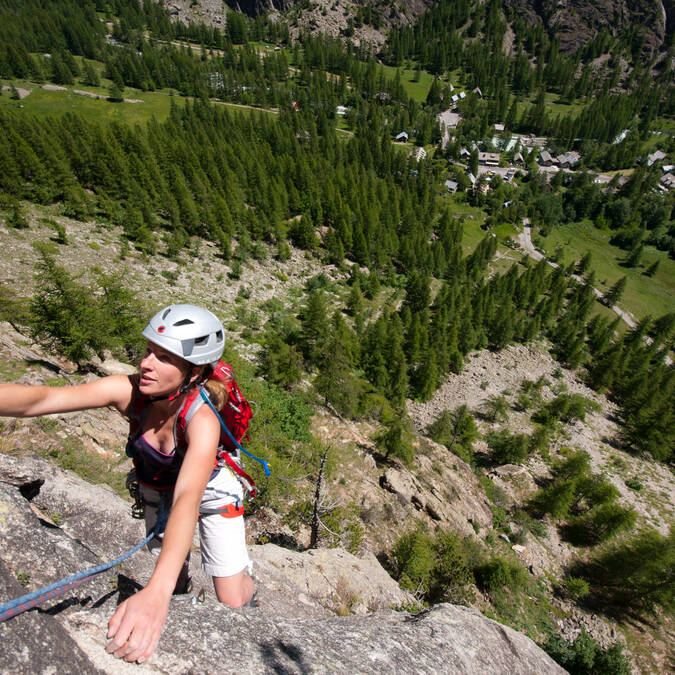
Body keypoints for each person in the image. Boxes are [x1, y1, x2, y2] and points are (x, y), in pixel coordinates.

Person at [0, 304, 254, 663]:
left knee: (232, 600)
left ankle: (248, 585)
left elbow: (188, 497)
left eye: (164, 357)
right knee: (173, 576)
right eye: (149, 350)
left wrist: (155, 595)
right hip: (157, 485)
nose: (146, 363)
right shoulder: (129, 391)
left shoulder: (202, 421)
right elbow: (47, 398)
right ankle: (180, 592)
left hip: (210, 488)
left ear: (194, 371)